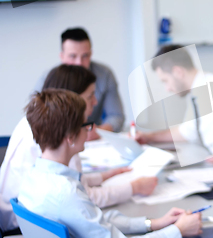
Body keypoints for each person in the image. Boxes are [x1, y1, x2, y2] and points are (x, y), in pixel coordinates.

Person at [17, 89, 202, 238]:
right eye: (86, 125)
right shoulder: (67, 194)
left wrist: (152, 223)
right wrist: (178, 231)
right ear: (70, 137)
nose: (89, 131)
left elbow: (95, 221)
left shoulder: (33, 179)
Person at [0, 65, 157, 234]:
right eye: (85, 125)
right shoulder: (65, 183)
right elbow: (80, 199)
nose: (95, 102)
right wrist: (176, 229)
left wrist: (103, 176)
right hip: (17, 225)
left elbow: (72, 187)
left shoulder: (41, 144)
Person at [34, 27, 125, 134]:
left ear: (91, 54)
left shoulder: (104, 75)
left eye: (85, 56)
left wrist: (94, 132)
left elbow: (116, 116)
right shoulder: (50, 78)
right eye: (72, 56)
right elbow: (35, 114)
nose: (79, 63)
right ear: (62, 56)